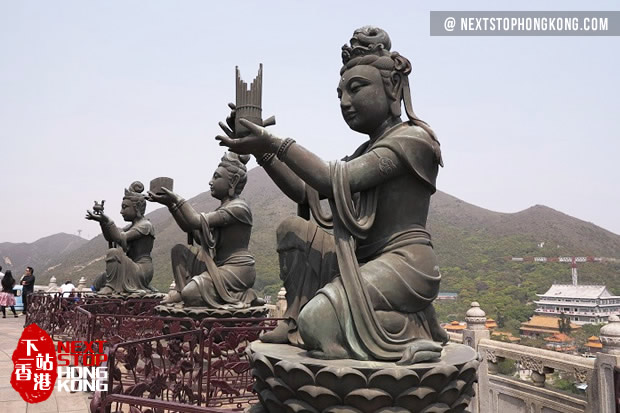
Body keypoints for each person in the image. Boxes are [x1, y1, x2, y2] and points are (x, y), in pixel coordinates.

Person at [216, 26, 446, 364]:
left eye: (356, 88)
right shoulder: (367, 150)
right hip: (363, 261)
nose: (345, 102)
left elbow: (331, 177)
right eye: (339, 93)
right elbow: (305, 190)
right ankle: (296, 318)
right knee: (293, 229)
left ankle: (412, 329)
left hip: (404, 265)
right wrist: (262, 154)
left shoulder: (413, 140)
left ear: (393, 86)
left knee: (318, 323)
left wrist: (273, 141)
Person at [148, 152, 260, 308]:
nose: (210, 182)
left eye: (216, 177)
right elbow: (191, 228)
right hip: (217, 265)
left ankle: (242, 294)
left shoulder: (239, 208)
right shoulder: (223, 208)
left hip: (236, 269)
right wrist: (171, 206)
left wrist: (177, 199)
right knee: (179, 251)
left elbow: (194, 220)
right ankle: (181, 291)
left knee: (191, 294)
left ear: (233, 181)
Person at [86, 181, 156, 295]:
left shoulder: (145, 226)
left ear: (137, 207)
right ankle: (108, 287)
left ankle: (111, 287)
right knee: (100, 280)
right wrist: (102, 222)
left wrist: (108, 221)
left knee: (114, 252)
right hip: (129, 266)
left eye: (125, 207)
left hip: (141, 270)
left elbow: (119, 237)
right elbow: (110, 238)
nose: (121, 211)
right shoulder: (130, 227)